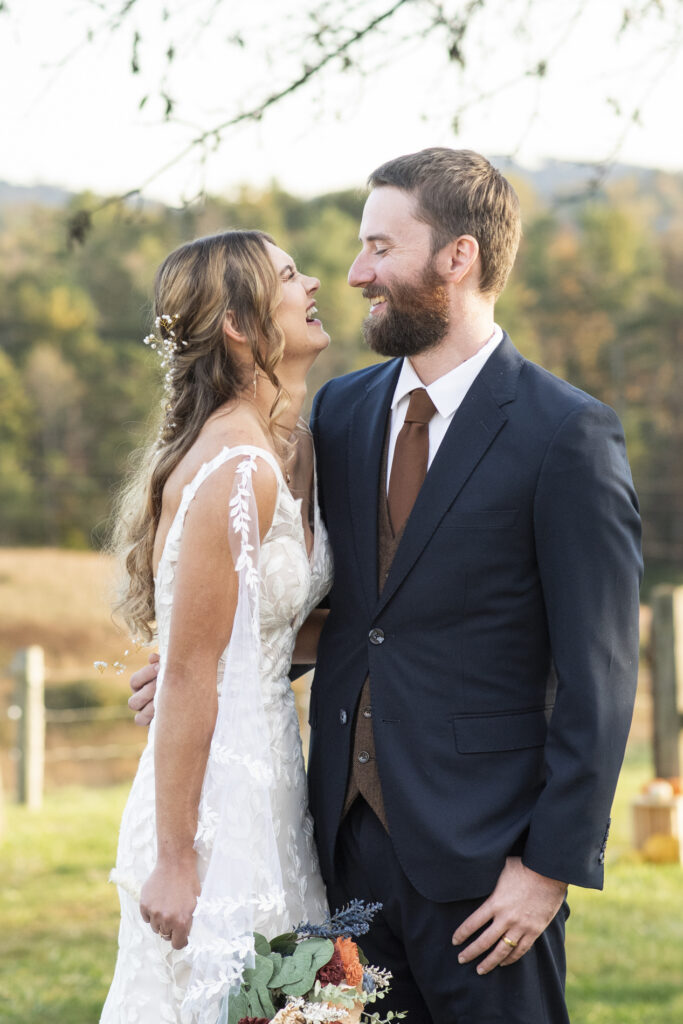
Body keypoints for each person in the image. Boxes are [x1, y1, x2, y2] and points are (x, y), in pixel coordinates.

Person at [131, 149, 643, 1023]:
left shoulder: (567, 435)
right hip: (338, 851)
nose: (356, 272)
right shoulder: (340, 413)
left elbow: (599, 673)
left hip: (489, 867)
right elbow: (353, 613)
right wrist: (212, 660)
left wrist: (547, 870)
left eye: (378, 247)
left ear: (458, 258)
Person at [101, 230, 332, 1024]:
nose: (313, 286)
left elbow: (244, 640)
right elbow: (197, 671)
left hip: (269, 771)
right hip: (218, 803)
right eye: (291, 276)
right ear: (239, 324)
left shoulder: (270, 446)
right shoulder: (238, 468)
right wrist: (174, 860)